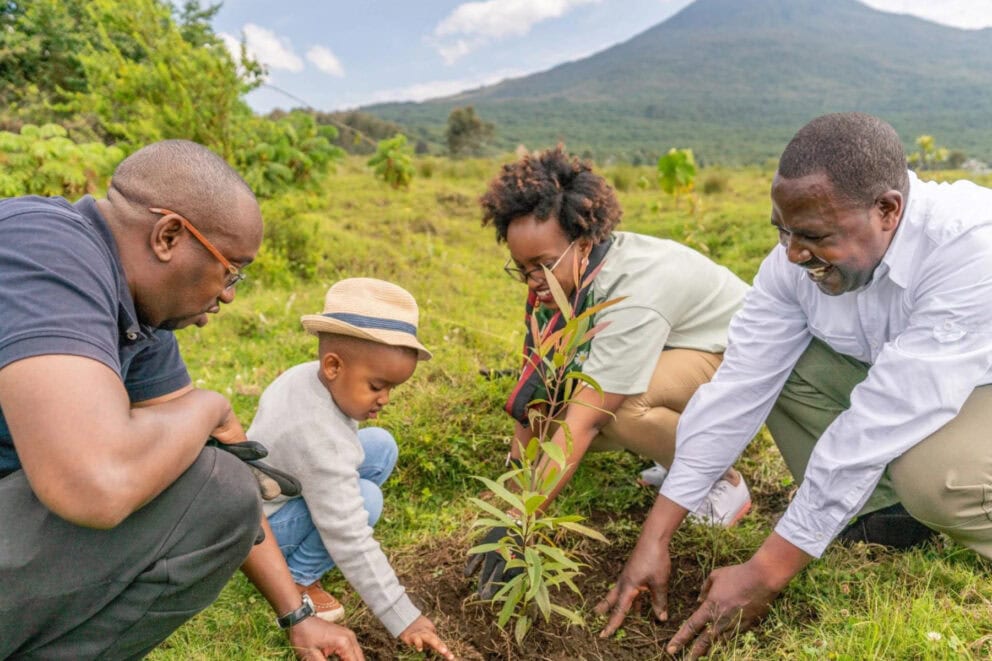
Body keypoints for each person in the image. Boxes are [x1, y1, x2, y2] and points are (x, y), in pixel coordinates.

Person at [595, 112, 992, 658]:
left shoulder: (967, 247)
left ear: (887, 210)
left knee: (933, 477)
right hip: (918, 380)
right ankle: (884, 516)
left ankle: (939, 506)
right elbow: (738, 387)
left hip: (977, 384)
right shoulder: (794, 263)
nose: (792, 253)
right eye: (782, 230)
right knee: (782, 363)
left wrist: (766, 571)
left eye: (812, 236)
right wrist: (656, 535)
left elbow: (885, 414)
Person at [0, 140, 362, 660]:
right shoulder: (45, 250)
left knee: (222, 487)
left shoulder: (140, 321)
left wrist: (297, 616)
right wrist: (209, 405)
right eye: (229, 270)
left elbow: (218, 478)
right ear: (168, 235)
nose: (231, 294)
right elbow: (93, 484)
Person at [466, 146, 754, 596]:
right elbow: (539, 398)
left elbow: (585, 419)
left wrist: (518, 525)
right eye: (521, 268)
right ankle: (674, 455)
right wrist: (506, 496)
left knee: (617, 410)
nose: (532, 280)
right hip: (678, 346)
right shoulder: (557, 285)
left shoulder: (629, 294)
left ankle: (719, 481)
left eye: (542, 265)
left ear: (582, 243)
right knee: (572, 409)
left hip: (737, 360)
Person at [247, 278, 455, 660]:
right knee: (366, 500)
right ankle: (298, 578)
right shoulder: (318, 435)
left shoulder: (308, 378)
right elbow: (350, 535)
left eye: (392, 388)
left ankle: (308, 553)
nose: (385, 399)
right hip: (261, 531)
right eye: (377, 386)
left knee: (380, 446)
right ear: (333, 366)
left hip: (276, 486)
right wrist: (401, 615)